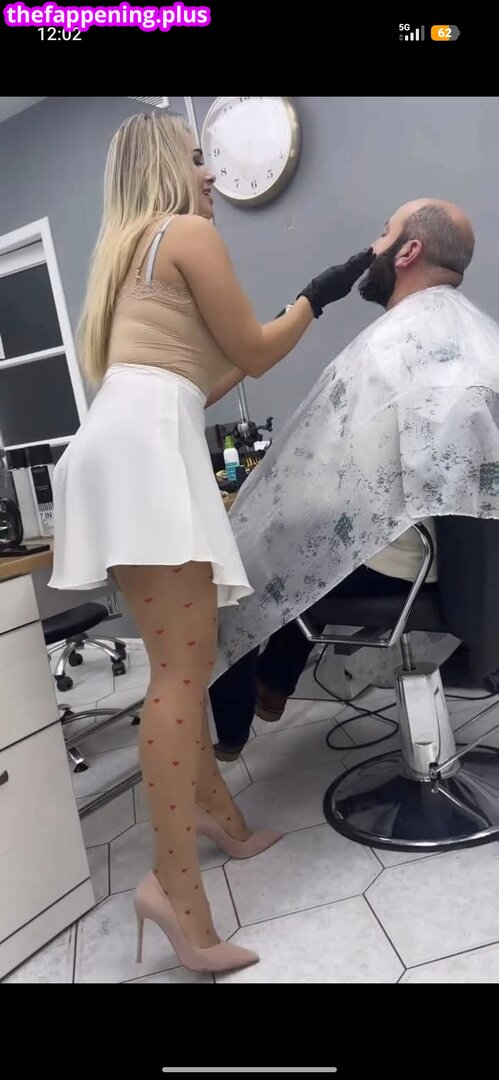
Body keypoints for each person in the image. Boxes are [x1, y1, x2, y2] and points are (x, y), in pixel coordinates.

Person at [48, 110, 374, 974]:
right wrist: (319, 293)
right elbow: (258, 354)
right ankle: (174, 893)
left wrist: (290, 312)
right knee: (181, 677)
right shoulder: (184, 232)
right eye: (197, 158)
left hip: (126, 439)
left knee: (178, 666)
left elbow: (205, 376)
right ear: (166, 165)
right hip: (145, 449)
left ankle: (217, 817)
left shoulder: (127, 253)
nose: (209, 175)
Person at [210, 197, 499, 757]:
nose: (371, 249)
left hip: (413, 568)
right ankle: (275, 681)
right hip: (476, 567)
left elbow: (324, 485)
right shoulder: (479, 339)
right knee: (302, 553)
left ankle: (230, 732)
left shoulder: (390, 351)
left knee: (238, 564)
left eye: (383, 234)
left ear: (408, 252)